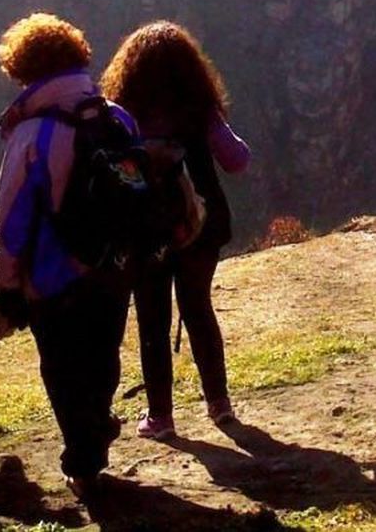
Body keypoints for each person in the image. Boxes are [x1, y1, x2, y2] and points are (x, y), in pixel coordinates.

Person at [0, 12, 133, 499]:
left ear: (24, 71)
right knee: (102, 355)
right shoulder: (116, 119)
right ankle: (96, 427)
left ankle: (84, 458)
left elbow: (10, 218)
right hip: (114, 266)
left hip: (52, 276)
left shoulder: (32, 135)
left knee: (61, 366)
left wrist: (7, 285)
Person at [101, 22, 251, 441]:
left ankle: (161, 417)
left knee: (152, 317)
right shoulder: (199, 110)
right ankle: (219, 404)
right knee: (198, 308)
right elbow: (237, 160)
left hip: (145, 230)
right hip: (200, 225)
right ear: (191, 67)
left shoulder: (123, 115)